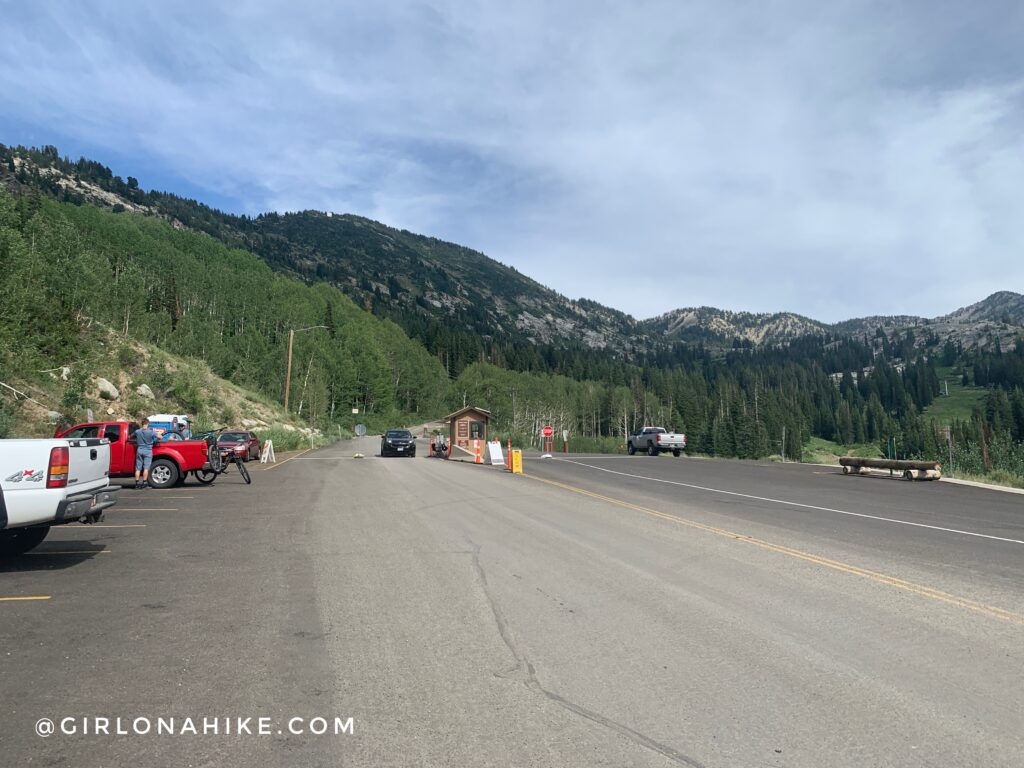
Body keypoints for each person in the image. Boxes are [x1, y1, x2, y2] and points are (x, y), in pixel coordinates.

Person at [133, 418, 158, 488]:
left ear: (142, 424)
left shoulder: (137, 431)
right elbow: (159, 436)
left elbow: (131, 436)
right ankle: (144, 483)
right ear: (147, 424)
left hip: (139, 450)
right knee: (146, 468)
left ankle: (137, 484)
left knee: (138, 468)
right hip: (147, 450)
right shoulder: (151, 432)